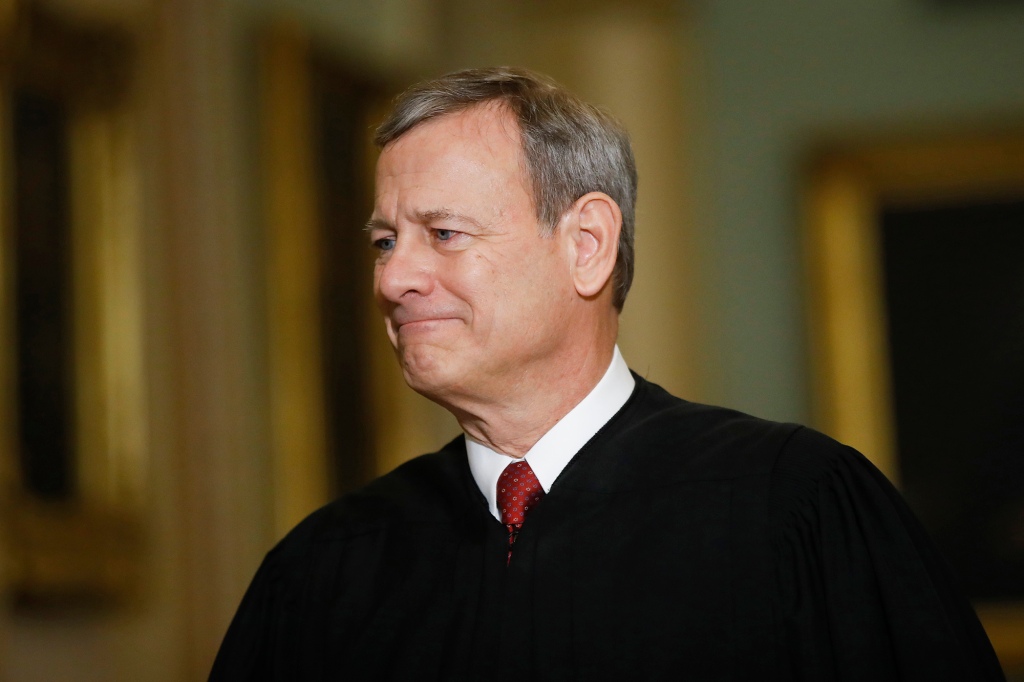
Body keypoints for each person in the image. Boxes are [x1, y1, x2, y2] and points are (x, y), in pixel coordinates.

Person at [210, 67, 1004, 681]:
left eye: (443, 233)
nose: (392, 279)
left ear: (586, 244)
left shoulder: (793, 507)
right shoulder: (328, 569)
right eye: (385, 242)